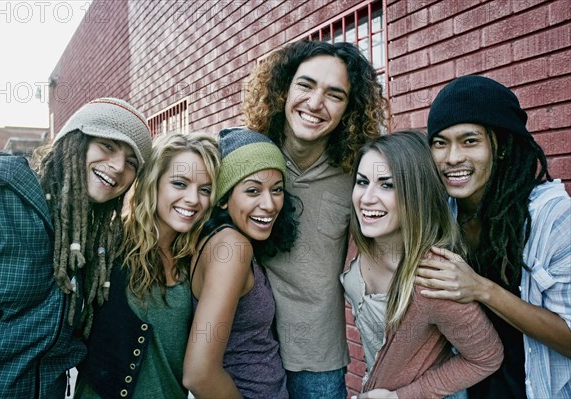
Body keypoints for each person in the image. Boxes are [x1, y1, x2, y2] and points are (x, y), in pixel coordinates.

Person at [0, 97, 152, 398]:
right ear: (74, 141)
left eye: (132, 162)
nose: (119, 166)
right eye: (108, 146)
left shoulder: (94, 246)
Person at [242, 39, 387, 397]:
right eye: (305, 85)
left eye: (334, 95)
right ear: (283, 89)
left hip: (317, 359)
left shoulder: (358, 173)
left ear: (348, 109)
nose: (315, 103)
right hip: (245, 349)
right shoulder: (247, 156)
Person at [416, 75, 571, 399]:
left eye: (469, 141)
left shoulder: (550, 215)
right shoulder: (442, 213)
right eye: (440, 142)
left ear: (499, 147)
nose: (452, 157)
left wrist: (481, 289)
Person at [342, 131, 503, 399]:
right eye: (362, 182)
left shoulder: (434, 278)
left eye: (387, 185)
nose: (367, 198)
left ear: (416, 193)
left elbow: (487, 357)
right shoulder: (358, 241)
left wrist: (400, 397)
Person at [73, 132, 220, 399]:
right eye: (179, 183)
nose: (193, 199)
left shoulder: (199, 258)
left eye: (205, 190)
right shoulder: (108, 247)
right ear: (154, 183)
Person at [183, 127, 299, 399]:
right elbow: (198, 374)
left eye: (277, 189)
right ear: (224, 198)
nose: (269, 204)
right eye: (252, 190)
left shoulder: (220, 240)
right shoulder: (232, 248)